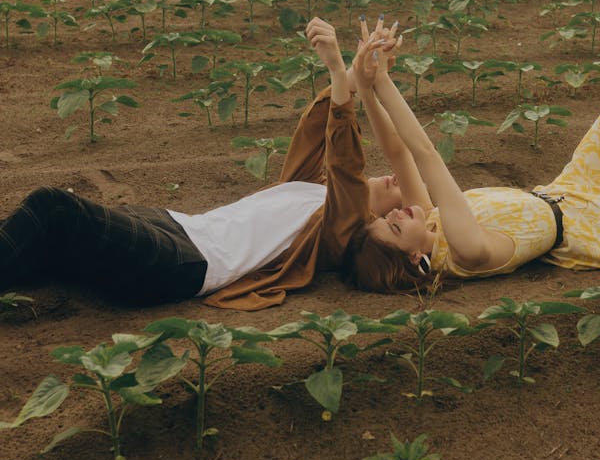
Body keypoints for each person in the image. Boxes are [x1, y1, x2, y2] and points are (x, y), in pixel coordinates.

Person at [0, 19, 403, 312]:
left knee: (52, 207)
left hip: (186, 263)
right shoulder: (313, 194)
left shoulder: (341, 229)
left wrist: (335, 69)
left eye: (399, 207)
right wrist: (354, 75)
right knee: (51, 239)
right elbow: (317, 128)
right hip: (178, 226)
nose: (394, 180)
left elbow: (346, 162)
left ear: (375, 223)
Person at [344, 20, 600, 293]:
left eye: (387, 218)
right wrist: (381, 79)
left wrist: (365, 85)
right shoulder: (467, 251)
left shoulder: (430, 217)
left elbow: (398, 150)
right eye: (393, 229)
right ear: (415, 258)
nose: (395, 213)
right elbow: (425, 152)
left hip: (571, 188)